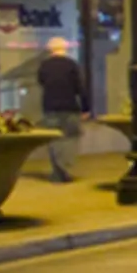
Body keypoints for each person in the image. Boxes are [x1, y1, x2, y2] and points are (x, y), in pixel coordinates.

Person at [35, 37, 88, 182]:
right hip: (69, 106)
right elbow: (80, 87)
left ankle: (57, 171)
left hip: (50, 106)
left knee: (54, 139)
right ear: (65, 49)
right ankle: (65, 166)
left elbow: (41, 82)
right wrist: (85, 108)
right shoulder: (71, 65)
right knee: (71, 137)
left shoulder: (44, 66)